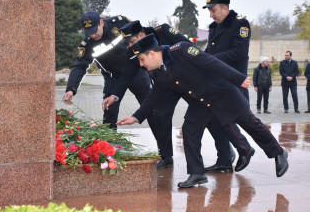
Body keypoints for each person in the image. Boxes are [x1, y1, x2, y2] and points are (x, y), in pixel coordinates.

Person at [117, 34, 289, 188]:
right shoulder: (157, 73)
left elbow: (211, 62)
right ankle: (197, 174)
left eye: (141, 59)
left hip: (222, 93)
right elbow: (154, 96)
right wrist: (136, 117)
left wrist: (238, 78)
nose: (141, 64)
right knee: (189, 130)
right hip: (201, 102)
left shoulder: (181, 50)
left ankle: (279, 152)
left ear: (152, 54)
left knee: (250, 124)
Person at [102, 20, 191, 169]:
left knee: (208, 115)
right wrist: (114, 95)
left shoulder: (163, 31)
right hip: (165, 86)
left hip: (187, 80)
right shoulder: (134, 50)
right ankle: (166, 156)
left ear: (141, 34)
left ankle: (226, 156)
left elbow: (189, 47)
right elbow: (127, 74)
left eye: (131, 41)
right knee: (160, 115)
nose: (130, 46)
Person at [63, 11, 156, 130]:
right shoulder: (87, 45)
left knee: (150, 109)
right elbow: (80, 66)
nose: (92, 36)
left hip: (135, 72)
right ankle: (109, 147)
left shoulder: (120, 23)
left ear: (101, 23)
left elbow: (141, 36)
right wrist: (71, 89)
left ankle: (162, 146)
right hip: (113, 76)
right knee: (109, 112)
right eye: (89, 33)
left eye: (94, 31)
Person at [202, 0, 251, 172]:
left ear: (225, 8)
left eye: (213, 10)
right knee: (211, 120)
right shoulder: (214, 28)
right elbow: (207, 52)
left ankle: (245, 149)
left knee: (233, 120)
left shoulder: (240, 24)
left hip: (234, 82)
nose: (211, 15)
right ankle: (224, 158)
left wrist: (209, 59)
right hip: (217, 83)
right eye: (209, 11)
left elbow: (239, 52)